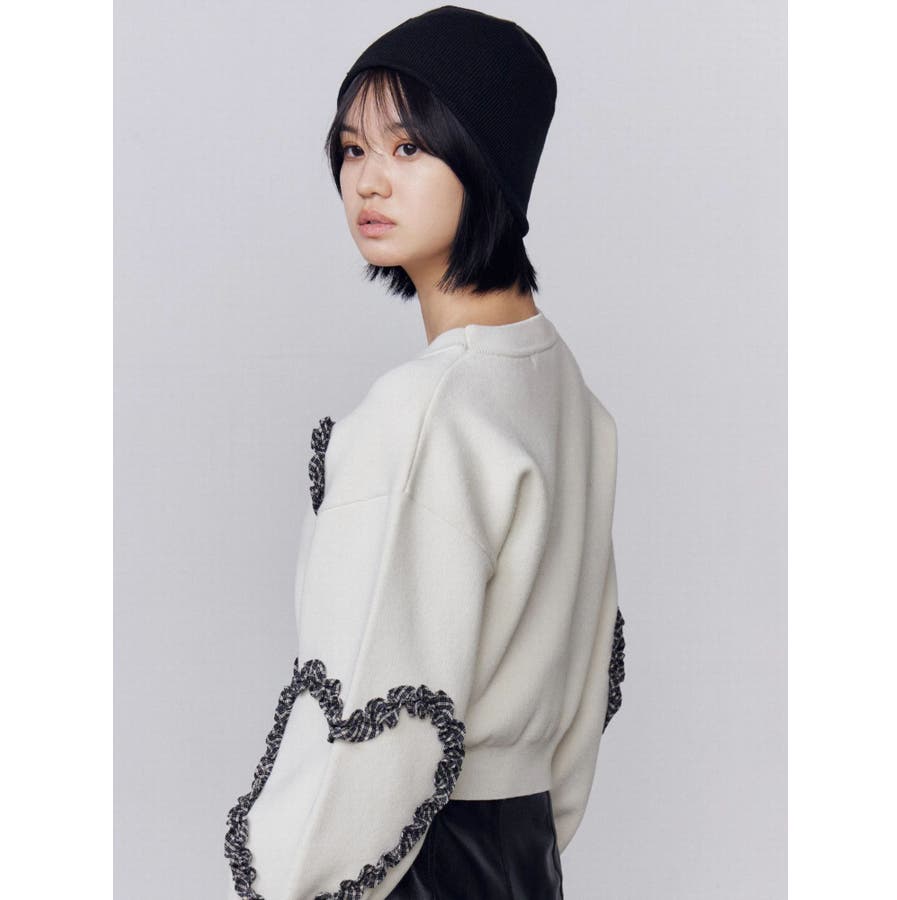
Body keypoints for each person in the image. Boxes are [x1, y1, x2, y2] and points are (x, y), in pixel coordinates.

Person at [224, 6, 625, 899]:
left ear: (486, 161)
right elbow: (578, 708)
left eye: (408, 148)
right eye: (352, 148)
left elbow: (364, 725)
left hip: (417, 869)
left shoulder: (422, 416)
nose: (367, 181)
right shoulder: (566, 395)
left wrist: (288, 883)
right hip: (522, 861)